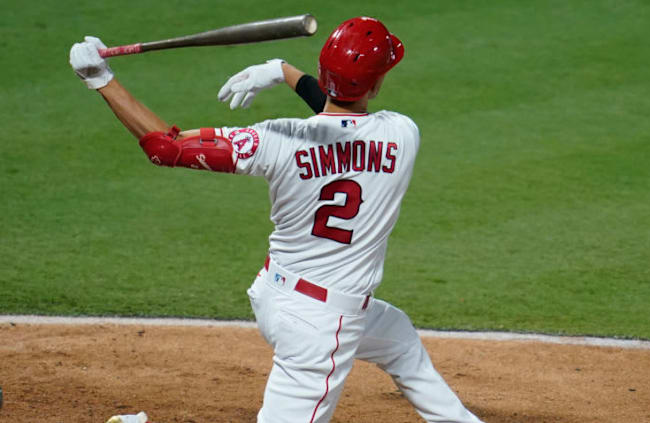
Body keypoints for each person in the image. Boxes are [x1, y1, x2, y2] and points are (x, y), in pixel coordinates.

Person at [70, 16, 484, 423]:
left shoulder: (276, 140)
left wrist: (100, 78)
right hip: (323, 325)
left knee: (397, 339)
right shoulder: (402, 134)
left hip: (276, 293)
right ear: (376, 84)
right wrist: (284, 73)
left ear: (324, 73)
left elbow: (167, 148)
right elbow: (342, 118)